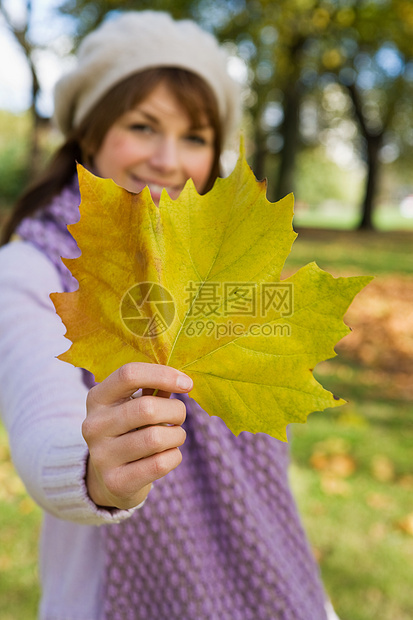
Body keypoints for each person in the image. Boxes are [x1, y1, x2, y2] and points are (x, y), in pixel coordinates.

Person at [0, 10, 338, 620]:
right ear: (90, 134)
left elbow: (265, 470)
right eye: (143, 125)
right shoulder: (32, 268)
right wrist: (95, 471)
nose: (168, 158)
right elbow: (38, 420)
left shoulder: (221, 271)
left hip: (278, 588)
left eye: (195, 137)